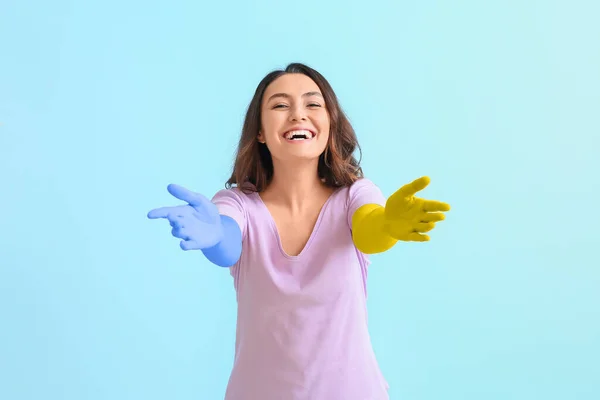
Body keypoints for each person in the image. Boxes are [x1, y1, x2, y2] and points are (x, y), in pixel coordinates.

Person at [147, 62, 450, 400]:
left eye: (312, 104)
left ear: (330, 124)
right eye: (280, 105)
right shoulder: (238, 204)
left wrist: (389, 226)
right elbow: (228, 243)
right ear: (260, 131)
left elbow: (369, 231)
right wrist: (215, 234)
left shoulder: (355, 196)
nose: (297, 115)